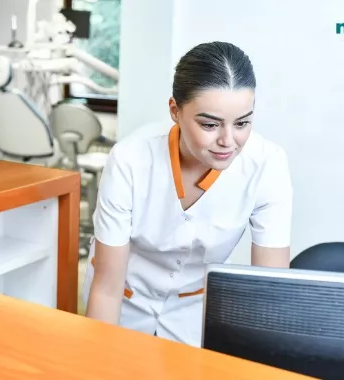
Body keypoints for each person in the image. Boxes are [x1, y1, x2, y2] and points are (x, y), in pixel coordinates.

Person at [82, 41, 293, 347]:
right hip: (122, 299)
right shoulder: (130, 159)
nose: (228, 141)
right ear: (175, 111)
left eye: (242, 123)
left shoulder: (267, 165)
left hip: (193, 307)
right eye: (209, 124)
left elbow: (270, 292)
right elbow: (107, 288)